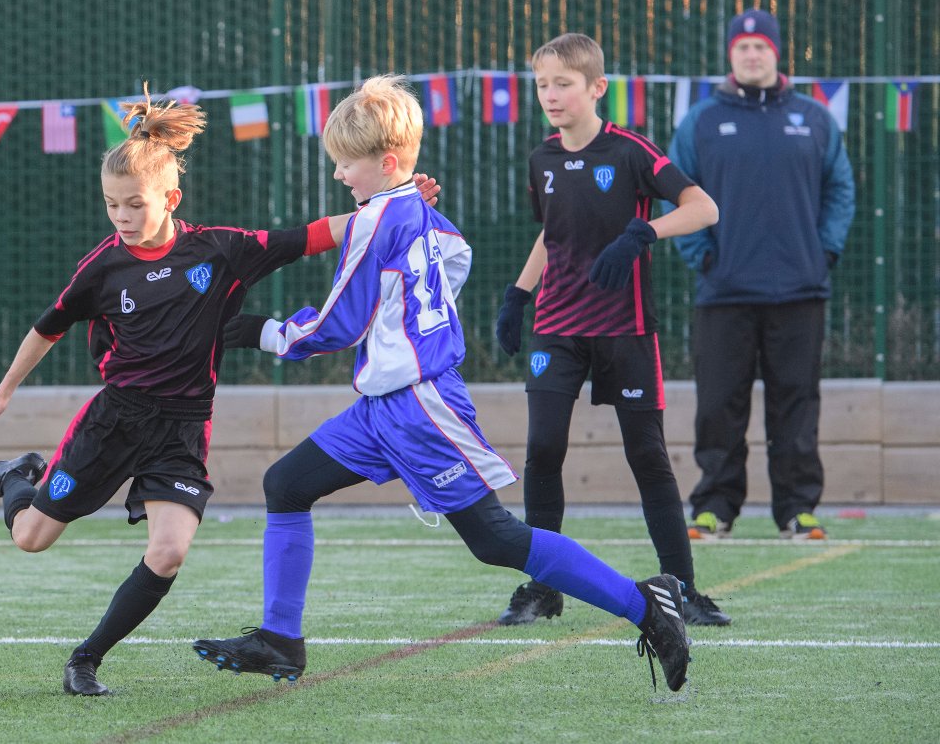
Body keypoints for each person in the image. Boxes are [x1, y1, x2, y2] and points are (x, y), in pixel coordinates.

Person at [191, 74, 693, 693]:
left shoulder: (379, 218)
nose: (339, 176)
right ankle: (279, 639)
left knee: (496, 539)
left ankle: (648, 606)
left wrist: (255, 331)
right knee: (286, 484)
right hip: (381, 407)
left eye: (346, 164)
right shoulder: (414, 210)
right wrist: (411, 305)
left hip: (419, 405)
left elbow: (336, 323)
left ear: (390, 162)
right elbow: (456, 254)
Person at [0, 88, 439, 696]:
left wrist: (396, 204)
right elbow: (47, 327)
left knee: (168, 553)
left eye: (134, 204)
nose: (121, 217)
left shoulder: (220, 250)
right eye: (111, 206)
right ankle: (17, 475)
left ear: (171, 198)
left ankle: (85, 660)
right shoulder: (102, 267)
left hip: (183, 427)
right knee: (29, 537)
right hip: (115, 419)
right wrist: (3, 394)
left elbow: (317, 234)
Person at [494, 33, 731, 628]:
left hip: (626, 330)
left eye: (563, 84)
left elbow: (704, 209)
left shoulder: (630, 152)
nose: (551, 94)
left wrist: (643, 233)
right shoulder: (540, 158)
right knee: (543, 450)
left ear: (596, 88)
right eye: (542, 84)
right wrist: (518, 295)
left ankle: (684, 591)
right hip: (557, 327)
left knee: (646, 455)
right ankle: (543, 587)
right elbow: (551, 235)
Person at [668, 9, 856, 542]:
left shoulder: (814, 118)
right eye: (743, 47)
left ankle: (798, 510)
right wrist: (701, 255)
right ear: (731, 55)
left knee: (796, 404)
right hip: (724, 291)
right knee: (718, 406)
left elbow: (841, 189)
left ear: (777, 54)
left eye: (762, 47)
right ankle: (715, 507)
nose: (753, 55)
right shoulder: (701, 121)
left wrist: (825, 252)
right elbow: (677, 192)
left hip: (800, 290)